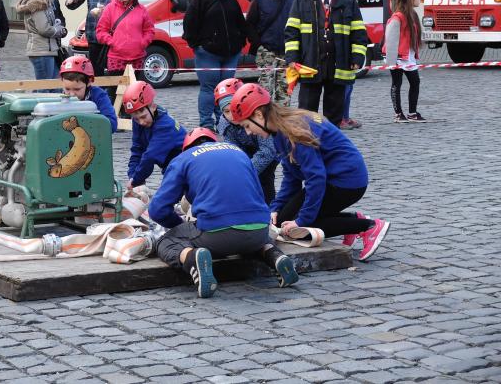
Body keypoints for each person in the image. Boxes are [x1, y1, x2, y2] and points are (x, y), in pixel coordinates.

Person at [229, 83, 390, 261]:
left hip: (346, 183)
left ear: (258, 115)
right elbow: (291, 177)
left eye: (247, 125)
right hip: (330, 180)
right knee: (281, 221)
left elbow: (316, 179)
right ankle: (349, 221)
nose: (249, 132)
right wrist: (275, 208)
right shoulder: (279, 133)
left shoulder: (294, 132)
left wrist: (302, 221)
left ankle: (368, 226)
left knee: (297, 231)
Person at [150, 127, 299, 298]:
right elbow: (259, 194)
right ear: (214, 141)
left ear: (187, 147)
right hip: (258, 231)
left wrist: (181, 226)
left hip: (216, 235)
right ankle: (275, 256)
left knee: (166, 241)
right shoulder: (239, 153)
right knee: (251, 233)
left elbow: (157, 210)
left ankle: (192, 259)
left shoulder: (183, 159)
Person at [284, 0, 368, 125]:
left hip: (338, 65)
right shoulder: (302, 0)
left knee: (334, 113)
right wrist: (292, 58)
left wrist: (357, 57)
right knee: (306, 113)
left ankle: (331, 144)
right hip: (309, 64)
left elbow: (358, 32)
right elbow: (291, 31)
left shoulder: (348, 0)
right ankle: (307, 144)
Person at [182, 0, 247, 129]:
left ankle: (224, 121)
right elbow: (189, 24)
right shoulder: (200, 0)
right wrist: (197, 45)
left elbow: (240, 23)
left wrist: (240, 42)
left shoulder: (231, 0)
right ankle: (206, 122)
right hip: (207, 53)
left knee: (226, 89)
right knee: (208, 88)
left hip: (230, 53)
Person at [214, 78, 278, 203]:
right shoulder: (224, 124)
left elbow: (267, 150)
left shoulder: (257, 118)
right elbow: (232, 152)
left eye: (233, 109)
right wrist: (239, 170)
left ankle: (269, 208)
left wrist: (248, 171)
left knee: (264, 179)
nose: (232, 116)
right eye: (226, 112)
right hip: (245, 150)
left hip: (268, 150)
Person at [122, 81, 186, 192]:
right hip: (170, 166)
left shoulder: (165, 125)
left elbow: (150, 157)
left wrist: (136, 180)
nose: (141, 122)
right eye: (136, 119)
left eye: (143, 117)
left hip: (185, 167)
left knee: (165, 201)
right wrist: (132, 175)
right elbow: (137, 149)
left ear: (153, 107)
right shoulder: (138, 121)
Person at [66, 0, 122, 75]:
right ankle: (99, 93)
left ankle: (112, 94)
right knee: (96, 72)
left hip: (115, 35)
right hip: (94, 35)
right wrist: (71, 1)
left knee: (115, 72)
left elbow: (129, 5)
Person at [246, 0, 294, 105]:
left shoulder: (291, 0)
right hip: (266, 51)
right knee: (265, 88)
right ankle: (265, 118)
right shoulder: (258, 0)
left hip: (286, 51)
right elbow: (249, 24)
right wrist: (258, 43)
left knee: (284, 88)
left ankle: (281, 118)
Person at [95, 0, 155, 79]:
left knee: (135, 91)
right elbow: (101, 31)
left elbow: (149, 30)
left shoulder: (141, 10)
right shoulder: (110, 8)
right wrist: (112, 42)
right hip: (116, 58)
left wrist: (142, 43)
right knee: (115, 91)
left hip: (137, 57)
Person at [383, 0, 426, 123]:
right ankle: (398, 114)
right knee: (397, 83)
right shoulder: (398, 16)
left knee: (415, 82)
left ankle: (412, 113)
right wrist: (391, 60)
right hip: (398, 56)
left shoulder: (412, 15)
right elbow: (390, 38)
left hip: (408, 56)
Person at [17, 0, 67, 80]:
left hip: (45, 50)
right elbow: (44, 29)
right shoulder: (38, 6)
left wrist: (56, 25)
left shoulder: (43, 4)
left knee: (54, 86)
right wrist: (58, 30)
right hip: (41, 50)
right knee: (44, 86)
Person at [59, 55, 117, 132]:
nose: (72, 94)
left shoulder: (99, 96)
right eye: (67, 89)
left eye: (77, 89)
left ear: (89, 81)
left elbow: (112, 125)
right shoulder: (60, 99)